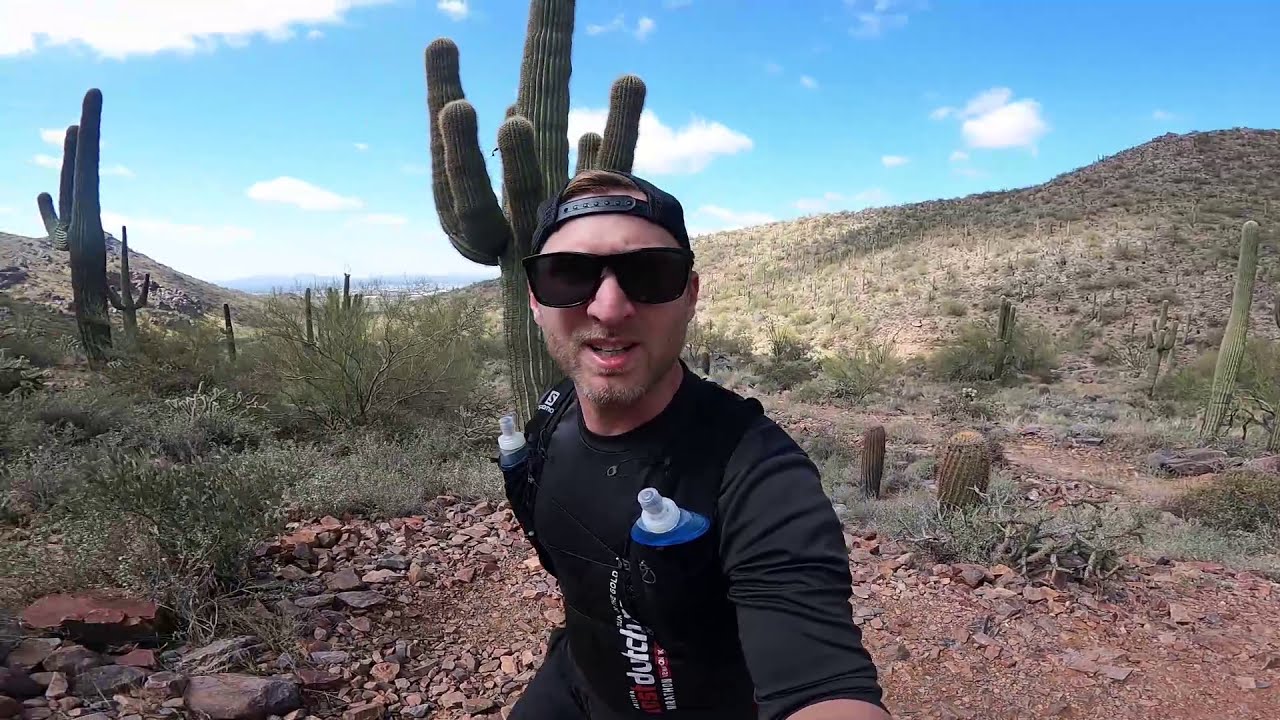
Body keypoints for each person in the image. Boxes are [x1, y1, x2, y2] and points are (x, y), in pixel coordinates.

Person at [503, 168, 888, 720]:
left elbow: (823, 687)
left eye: (650, 273)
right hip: (575, 680)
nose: (608, 310)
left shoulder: (756, 472)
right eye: (566, 275)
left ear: (690, 295)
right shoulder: (555, 412)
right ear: (536, 301)